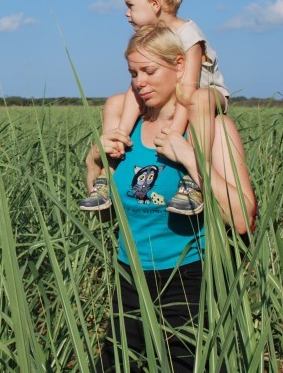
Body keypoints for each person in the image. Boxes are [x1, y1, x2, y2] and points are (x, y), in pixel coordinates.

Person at [90, 24, 257, 372]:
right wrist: (95, 161)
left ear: (180, 66)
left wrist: (190, 157)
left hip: (190, 283)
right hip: (129, 278)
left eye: (149, 71)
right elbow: (103, 212)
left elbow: (243, 218)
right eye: (133, 73)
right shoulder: (126, 129)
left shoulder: (214, 128)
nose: (140, 82)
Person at [80, 0, 229, 215]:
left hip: (206, 93)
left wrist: (173, 133)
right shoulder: (152, 36)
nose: (126, 13)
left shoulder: (188, 35)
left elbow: (189, 89)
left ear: (154, 3)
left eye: (130, 6)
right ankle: (107, 172)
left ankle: (192, 182)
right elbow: (135, 87)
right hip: (177, 95)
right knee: (117, 101)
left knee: (200, 101)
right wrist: (121, 132)